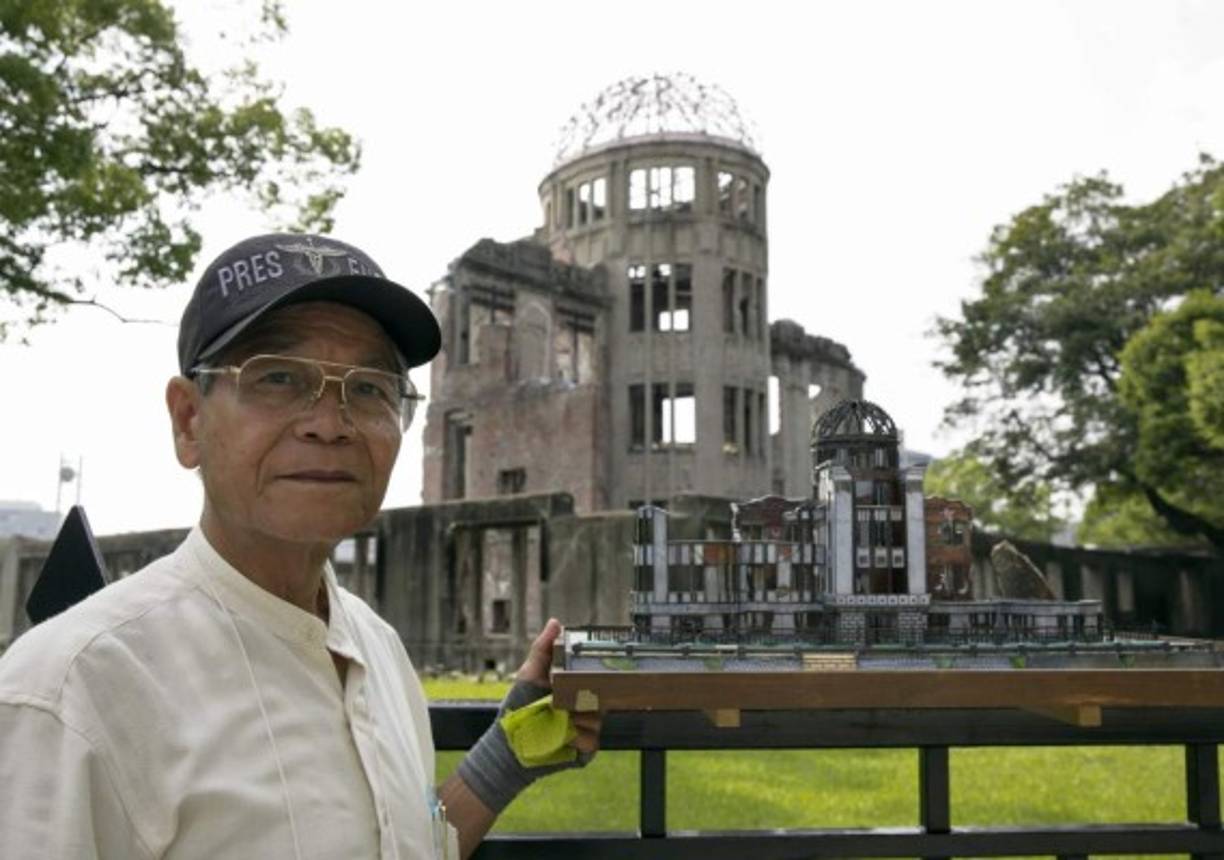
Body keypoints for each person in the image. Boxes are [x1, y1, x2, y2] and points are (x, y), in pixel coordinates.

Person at [0, 234, 599, 859]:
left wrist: (501, 760)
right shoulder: (72, 691)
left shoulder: (378, 647)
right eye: (278, 378)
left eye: (369, 388)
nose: (330, 422)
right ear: (188, 421)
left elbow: (403, 845)